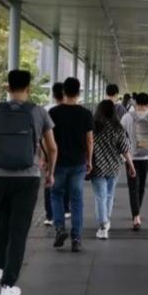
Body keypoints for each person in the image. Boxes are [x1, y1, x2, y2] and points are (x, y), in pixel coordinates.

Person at [0, 70, 57, 295]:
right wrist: (50, 172)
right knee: (19, 230)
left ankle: (2, 267)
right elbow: (52, 148)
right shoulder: (38, 112)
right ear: (28, 88)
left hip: (0, 176)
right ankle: (8, 285)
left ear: (8, 87)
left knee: (1, 225)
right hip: (28, 178)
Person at [48, 77, 94, 253]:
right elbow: (89, 140)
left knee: (56, 195)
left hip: (58, 162)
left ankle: (60, 228)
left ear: (63, 92)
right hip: (78, 162)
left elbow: (47, 140)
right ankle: (76, 238)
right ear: (78, 92)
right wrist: (89, 160)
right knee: (76, 200)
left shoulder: (53, 112)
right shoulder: (85, 113)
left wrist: (46, 160)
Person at [91, 99, 136, 241]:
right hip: (114, 167)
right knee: (109, 195)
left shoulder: (93, 127)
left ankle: (103, 226)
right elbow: (125, 149)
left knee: (100, 197)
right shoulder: (118, 127)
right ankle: (106, 220)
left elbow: (87, 145)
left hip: (97, 167)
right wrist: (131, 166)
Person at [121, 92, 148, 230]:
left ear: (135, 102)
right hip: (147, 156)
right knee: (142, 184)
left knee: (133, 186)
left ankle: (136, 216)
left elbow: (121, 134)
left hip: (130, 156)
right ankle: (138, 210)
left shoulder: (127, 117)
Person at [43, 82, 69, 227]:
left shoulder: (47, 111)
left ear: (53, 94)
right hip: (67, 154)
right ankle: (65, 209)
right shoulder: (72, 110)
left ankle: (49, 215)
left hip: (50, 152)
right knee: (66, 182)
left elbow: (43, 137)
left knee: (49, 183)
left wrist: (43, 157)